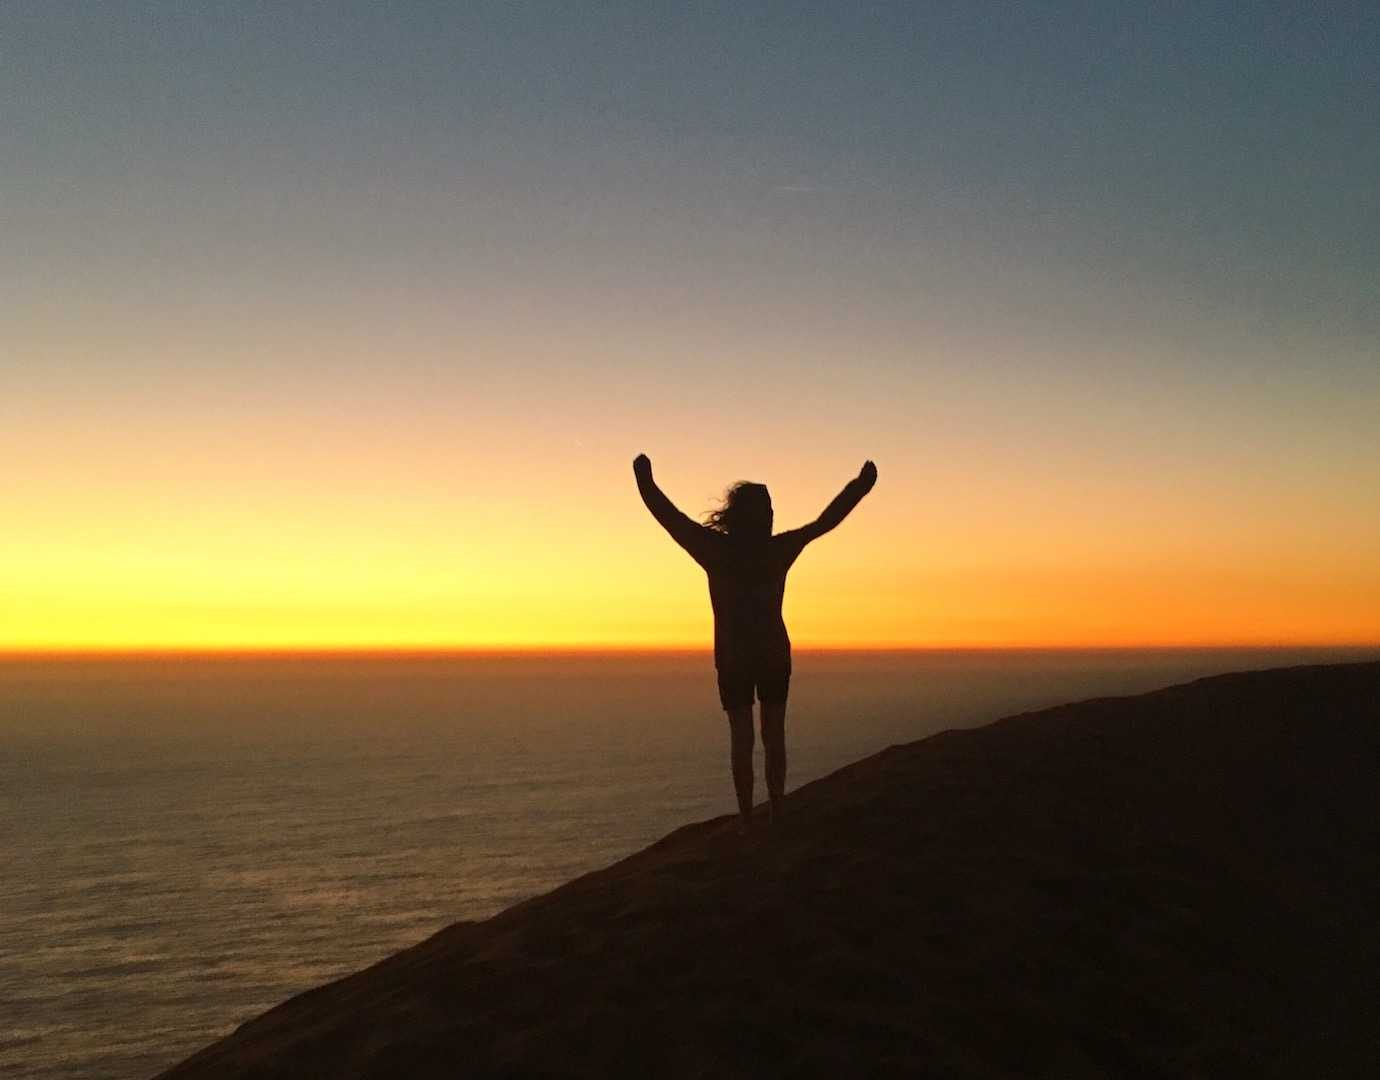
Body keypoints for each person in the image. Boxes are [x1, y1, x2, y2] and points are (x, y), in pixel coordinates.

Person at [633, 453, 877, 829]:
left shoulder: (716, 550)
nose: (772, 513)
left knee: (745, 738)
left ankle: (750, 818)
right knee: (769, 734)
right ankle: (773, 812)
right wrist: (859, 488)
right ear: (758, 515)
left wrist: (645, 481)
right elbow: (824, 523)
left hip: (736, 658)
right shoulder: (775, 549)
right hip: (770, 654)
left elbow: (671, 519)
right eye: (767, 507)